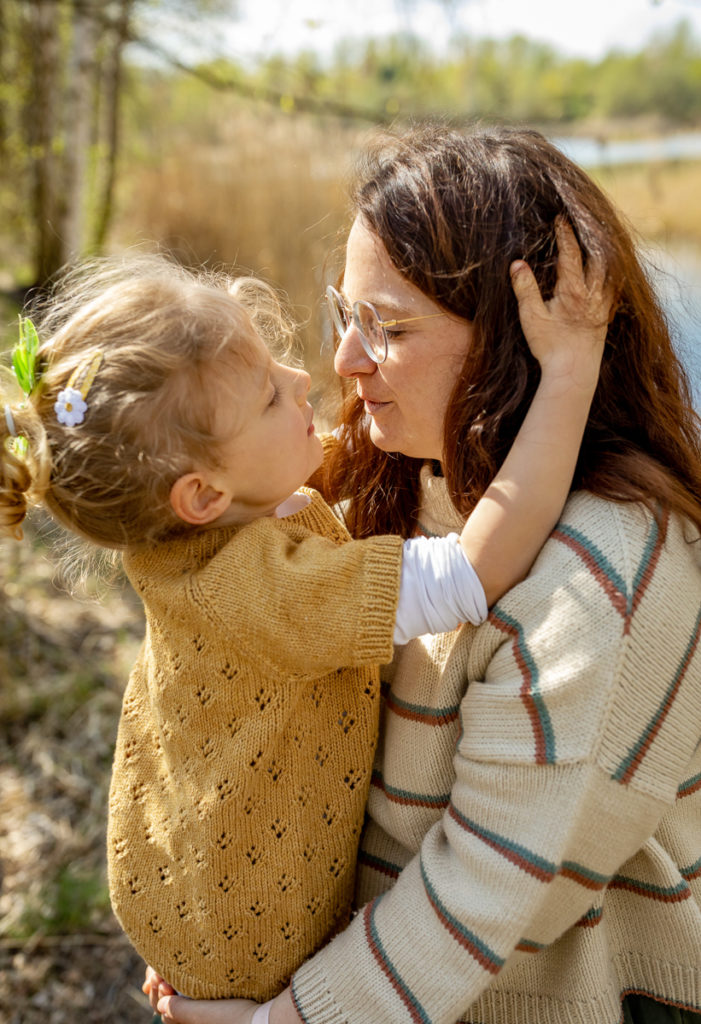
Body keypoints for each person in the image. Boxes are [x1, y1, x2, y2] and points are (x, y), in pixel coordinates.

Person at [148, 124, 701, 1024]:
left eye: (388, 328)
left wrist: (281, 1021)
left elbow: (484, 892)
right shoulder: (397, 478)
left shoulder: (602, 576)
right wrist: (212, 933)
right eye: (345, 314)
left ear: (517, 344)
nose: (343, 362)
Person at [0, 240, 607, 1003]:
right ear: (201, 495)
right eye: (266, 398)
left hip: (189, 877)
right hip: (253, 935)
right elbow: (472, 571)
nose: (300, 379)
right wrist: (569, 373)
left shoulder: (194, 522)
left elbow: (338, 454)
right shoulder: (265, 589)